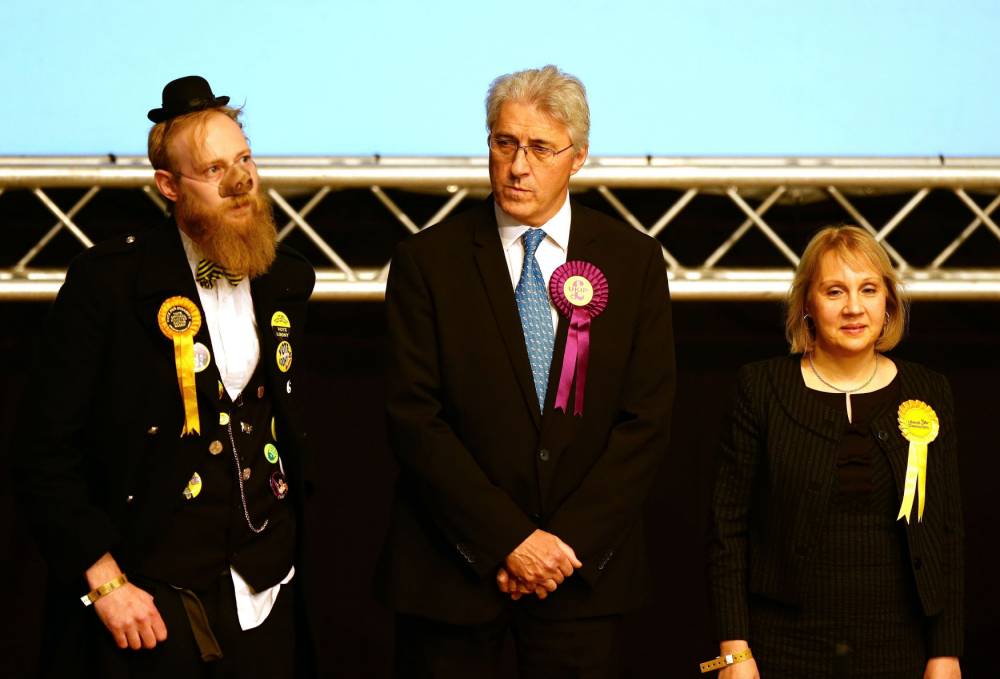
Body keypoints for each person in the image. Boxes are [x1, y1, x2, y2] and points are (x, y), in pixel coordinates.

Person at [377, 65, 676, 677]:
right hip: (451, 574)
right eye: (504, 142)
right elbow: (414, 419)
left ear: (579, 157)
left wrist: (563, 546)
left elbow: (645, 422)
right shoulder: (426, 261)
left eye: (540, 148)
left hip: (581, 579)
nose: (518, 165)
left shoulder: (634, 260)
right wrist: (507, 542)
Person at [13, 75, 316, 678]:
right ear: (168, 186)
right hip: (149, 600)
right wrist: (105, 584)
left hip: (265, 590)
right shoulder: (108, 285)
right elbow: (40, 452)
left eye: (245, 160)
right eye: (213, 170)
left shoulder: (288, 279)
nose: (241, 183)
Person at [707, 226, 963, 678]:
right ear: (807, 303)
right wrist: (734, 653)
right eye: (834, 290)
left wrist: (946, 654)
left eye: (868, 289)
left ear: (888, 301)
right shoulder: (760, 387)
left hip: (898, 650)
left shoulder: (929, 390)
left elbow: (946, 531)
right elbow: (727, 530)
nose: (853, 307)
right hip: (781, 649)